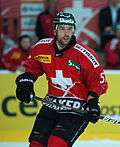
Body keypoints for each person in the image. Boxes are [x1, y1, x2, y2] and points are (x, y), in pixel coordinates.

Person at [15, 12, 108, 147]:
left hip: (76, 109)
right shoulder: (41, 48)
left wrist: (93, 103)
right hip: (50, 105)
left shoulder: (85, 54)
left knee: (56, 144)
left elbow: (98, 81)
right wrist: (26, 84)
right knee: (36, 144)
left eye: (70, 29)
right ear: (55, 30)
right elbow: (32, 68)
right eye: (62, 28)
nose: (66, 33)